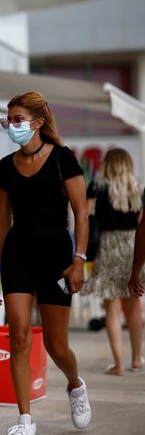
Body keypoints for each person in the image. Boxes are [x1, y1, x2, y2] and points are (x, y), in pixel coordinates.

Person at [0, 91, 90, 435]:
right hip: (17, 254)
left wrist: (79, 259)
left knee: (56, 346)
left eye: (17, 119)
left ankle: (75, 385)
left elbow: (81, 212)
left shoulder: (63, 159)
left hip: (57, 257)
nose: (11, 125)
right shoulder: (4, 166)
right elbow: (1, 222)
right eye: (8, 119)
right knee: (18, 335)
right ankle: (25, 421)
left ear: (38, 122)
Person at [82, 149, 143, 374]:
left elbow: (86, 218)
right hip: (131, 245)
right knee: (133, 304)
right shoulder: (136, 189)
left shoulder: (97, 188)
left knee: (112, 308)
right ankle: (136, 359)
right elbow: (141, 223)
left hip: (107, 246)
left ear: (107, 164)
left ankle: (118, 364)